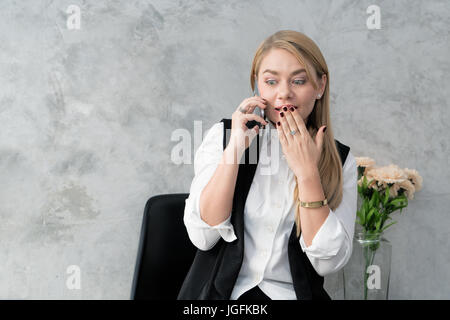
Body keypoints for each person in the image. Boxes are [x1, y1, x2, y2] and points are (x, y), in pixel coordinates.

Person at [178, 30, 357, 300]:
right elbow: (203, 237)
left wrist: (308, 173)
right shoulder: (224, 136)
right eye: (271, 81)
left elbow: (329, 262)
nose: (284, 93)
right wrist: (235, 150)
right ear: (257, 86)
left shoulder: (341, 159)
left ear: (320, 86)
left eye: (299, 81)